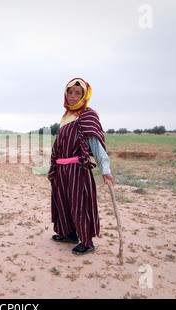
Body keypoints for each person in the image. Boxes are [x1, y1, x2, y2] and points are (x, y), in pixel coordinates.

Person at [48, 78, 115, 255]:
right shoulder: (66, 117)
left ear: (85, 96)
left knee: (80, 205)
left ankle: (87, 242)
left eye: (78, 93)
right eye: (70, 92)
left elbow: (96, 145)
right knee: (62, 202)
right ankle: (69, 234)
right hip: (61, 170)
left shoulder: (87, 115)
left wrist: (105, 170)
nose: (73, 96)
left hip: (78, 170)